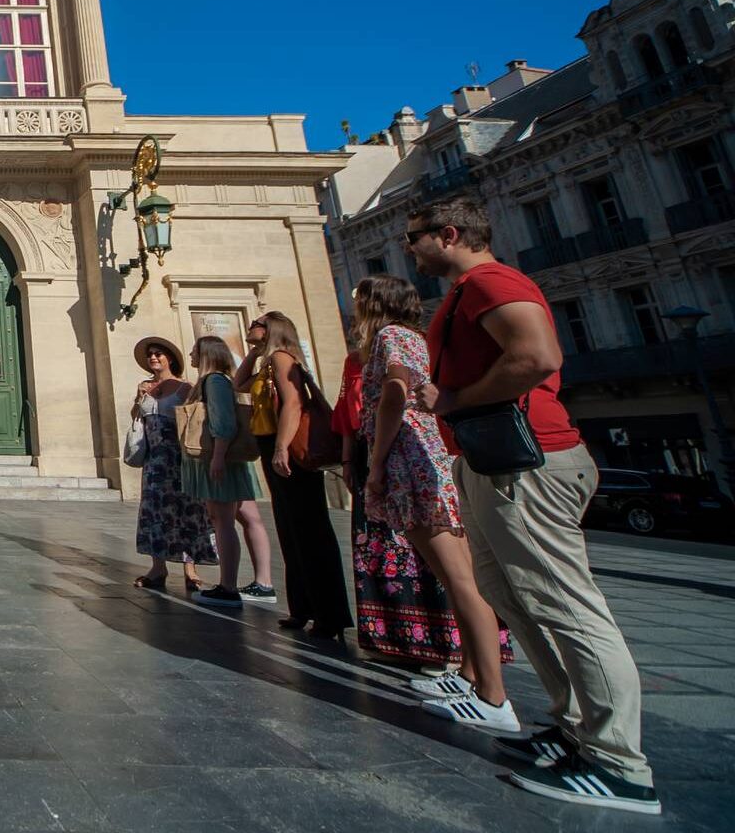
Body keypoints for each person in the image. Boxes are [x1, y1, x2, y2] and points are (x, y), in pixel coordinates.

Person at [408, 198, 659, 813]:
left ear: (449, 233)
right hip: (492, 461)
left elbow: (539, 357)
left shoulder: (491, 281)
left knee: (563, 601)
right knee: (512, 592)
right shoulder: (469, 288)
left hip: (529, 459)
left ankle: (620, 763)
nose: (411, 249)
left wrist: (454, 398)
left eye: (415, 237)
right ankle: (575, 731)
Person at [350, 275, 514, 731]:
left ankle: (493, 696)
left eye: (360, 300)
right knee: (458, 575)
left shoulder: (389, 337)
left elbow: (395, 395)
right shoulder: (419, 338)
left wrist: (377, 462)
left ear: (374, 303)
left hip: (410, 461)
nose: (355, 307)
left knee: (459, 579)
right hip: (432, 457)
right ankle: (469, 672)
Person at [237, 312, 352, 638]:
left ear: (271, 328)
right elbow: (238, 384)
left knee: (308, 530)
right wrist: (254, 351)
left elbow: (293, 405)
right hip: (273, 445)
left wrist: (282, 448)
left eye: (256, 323)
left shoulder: (283, 359)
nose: (250, 327)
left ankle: (329, 614)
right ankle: (303, 607)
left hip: (289, 450)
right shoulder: (268, 361)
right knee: (290, 529)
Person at [180, 335, 273, 609]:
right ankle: (263, 583)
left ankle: (229, 586)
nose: (191, 354)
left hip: (220, 460)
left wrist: (218, 458)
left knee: (221, 519)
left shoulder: (213, 382)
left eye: (195, 350)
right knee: (249, 517)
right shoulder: (220, 380)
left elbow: (223, 423)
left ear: (207, 354)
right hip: (229, 460)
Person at [129, 336, 214, 592]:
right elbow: (137, 419)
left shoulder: (184, 388)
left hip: (179, 458)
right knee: (154, 511)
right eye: (151, 354)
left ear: (170, 358)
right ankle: (158, 568)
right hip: (154, 460)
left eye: (159, 354)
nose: (153, 357)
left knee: (186, 509)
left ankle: (191, 569)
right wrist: (138, 399)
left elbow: (195, 421)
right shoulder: (145, 387)